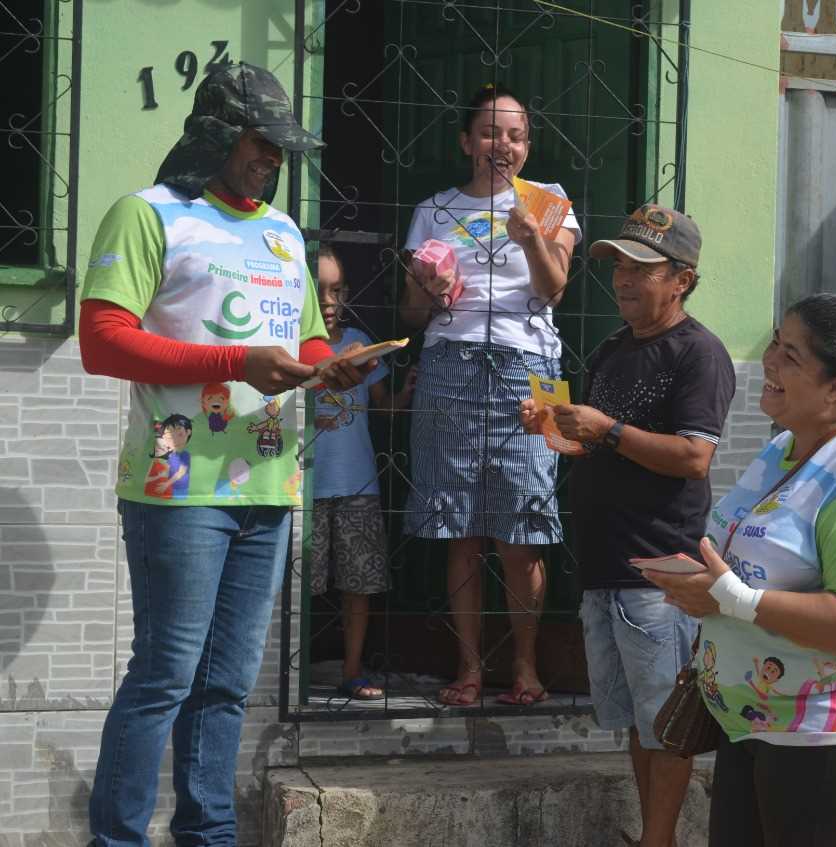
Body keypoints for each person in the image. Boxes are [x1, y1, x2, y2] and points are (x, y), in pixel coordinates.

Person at [77, 63, 373, 845]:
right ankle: (118, 836)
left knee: (228, 684)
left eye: (281, 150)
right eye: (259, 142)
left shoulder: (281, 232)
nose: (272, 160)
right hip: (176, 482)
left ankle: (208, 831)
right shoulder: (149, 214)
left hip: (268, 486)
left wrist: (331, 360)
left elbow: (304, 336)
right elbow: (102, 342)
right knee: (167, 673)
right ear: (215, 133)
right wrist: (237, 364)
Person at [646, 293, 836, 847]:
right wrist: (704, 588)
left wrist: (731, 598)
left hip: (829, 733)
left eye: (791, 356)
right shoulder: (782, 450)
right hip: (754, 720)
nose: (770, 361)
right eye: (775, 342)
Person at [521, 205, 735, 847]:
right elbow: (603, 448)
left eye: (643, 267)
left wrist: (607, 429)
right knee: (641, 724)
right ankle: (654, 834)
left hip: (660, 572)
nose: (624, 279)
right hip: (605, 565)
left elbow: (695, 456)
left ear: (683, 280)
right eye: (619, 265)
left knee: (668, 724)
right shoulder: (613, 350)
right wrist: (558, 427)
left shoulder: (700, 353)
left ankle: (660, 838)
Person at [398, 83, 581, 707]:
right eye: (488, 132)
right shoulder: (433, 209)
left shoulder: (551, 200)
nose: (500, 144)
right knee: (461, 529)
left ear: (527, 146)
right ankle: (470, 670)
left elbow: (555, 291)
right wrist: (426, 285)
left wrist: (531, 234)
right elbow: (415, 315)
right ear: (465, 141)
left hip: (533, 367)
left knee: (525, 524)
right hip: (449, 364)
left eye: (514, 134)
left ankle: (526, 668)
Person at [310, 245, 416, 700]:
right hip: (303, 489)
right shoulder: (289, 347)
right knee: (299, 585)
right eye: (318, 291)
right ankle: (287, 672)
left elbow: (383, 408)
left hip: (357, 484)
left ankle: (352, 670)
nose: (329, 302)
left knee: (359, 584)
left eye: (337, 290)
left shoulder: (359, 344)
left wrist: (407, 392)